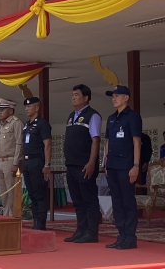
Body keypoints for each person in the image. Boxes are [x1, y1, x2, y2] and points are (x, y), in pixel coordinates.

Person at [103, 85, 141, 250]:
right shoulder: (111, 118)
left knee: (127, 201)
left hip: (126, 166)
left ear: (126, 98)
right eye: (112, 96)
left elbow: (136, 142)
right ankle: (121, 235)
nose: (114, 99)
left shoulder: (132, 117)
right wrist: (104, 161)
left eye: (117, 96)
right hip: (112, 165)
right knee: (116, 202)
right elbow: (108, 142)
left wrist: (136, 165)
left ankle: (130, 237)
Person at [63, 84, 101, 244]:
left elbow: (95, 140)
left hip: (85, 165)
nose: (73, 97)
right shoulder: (71, 116)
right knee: (77, 200)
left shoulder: (92, 116)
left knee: (88, 199)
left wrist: (92, 162)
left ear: (86, 98)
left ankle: (91, 232)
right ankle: (81, 229)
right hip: (71, 164)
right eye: (72, 95)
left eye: (77, 95)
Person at [22, 97, 52, 230]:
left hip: (37, 161)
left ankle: (41, 223)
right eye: (26, 107)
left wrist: (47, 164)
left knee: (39, 193)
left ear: (37, 108)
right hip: (27, 161)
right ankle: (35, 220)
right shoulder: (27, 124)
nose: (26, 109)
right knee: (31, 193)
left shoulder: (42, 124)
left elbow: (47, 145)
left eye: (29, 106)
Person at [0, 98, 24, 216]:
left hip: (10, 160)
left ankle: (12, 216)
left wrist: (16, 163)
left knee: (11, 192)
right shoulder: (1, 125)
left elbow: (19, 143)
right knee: (4, 193)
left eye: (3, 109)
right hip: (0, 162)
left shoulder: (16, 123)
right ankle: (5, 215)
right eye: (0, 109)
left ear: (11, 111)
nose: (0, 112)